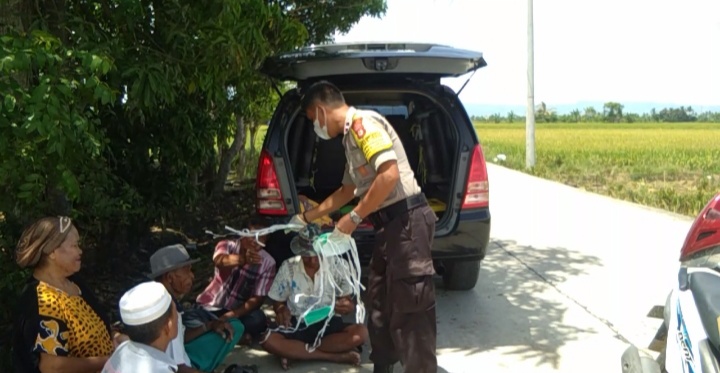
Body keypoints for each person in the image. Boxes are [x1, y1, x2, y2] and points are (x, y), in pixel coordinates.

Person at [291, 80, 438, 373]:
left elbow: (389, 175)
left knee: (411, 308)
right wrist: (307, 216)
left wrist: (354, 218)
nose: (315, 128)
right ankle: (383, 366)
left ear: (321, 110)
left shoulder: (363, 125)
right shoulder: (349, 141)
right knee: (380, 303)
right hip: (389, 226)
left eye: (311, 120)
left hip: (407, 223)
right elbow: (347, 191)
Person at [12, 216, 123, 373]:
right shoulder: (43, 300)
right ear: (52, 252)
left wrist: (116, 338)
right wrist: (109, 361)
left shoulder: (75, 283)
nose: (80, 251)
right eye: (74, 245)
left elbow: (99, 326)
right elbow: (52, 366)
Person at [261, 224, 366, 370]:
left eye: (318, 255)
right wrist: (281, 310)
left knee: (361, 333)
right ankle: (333, 356)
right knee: (268, 340)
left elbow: (347, 301)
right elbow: (278, 302)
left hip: (328, 326)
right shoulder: (288, 267)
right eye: (307, 256)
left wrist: (347, 306)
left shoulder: (338, 265)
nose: (312, 261)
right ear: (300, 252)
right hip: (297, 324)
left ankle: (296, 352)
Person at [149, 244, 246, 373]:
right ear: (169, 278)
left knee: (233, 326)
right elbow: (178, 368)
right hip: (180, 365)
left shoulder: (162, 301)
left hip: (182, 356)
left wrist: (208, 326)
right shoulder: (167, 312)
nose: (192, 276)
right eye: (186, 271)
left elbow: (179, 338)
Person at [195, 217, 276, 343]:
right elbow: (219, 261)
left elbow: (257, 299)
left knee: (258, 319)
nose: (256, 242)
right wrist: (243, 259)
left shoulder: (268, 263)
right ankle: (235, 336)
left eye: (261, 238)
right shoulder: (226, 245)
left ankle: (222, 334)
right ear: (242, 233)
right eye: (252, 235)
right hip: (213, 305)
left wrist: (231, 315)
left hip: (238, 311)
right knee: (196, 318)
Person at [102, 281, 180, 372]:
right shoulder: (159, 370)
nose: (178, 317)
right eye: (176, 313)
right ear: (168, 326)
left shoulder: (122, 350)